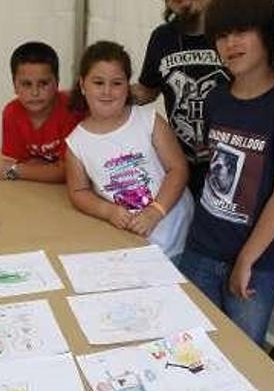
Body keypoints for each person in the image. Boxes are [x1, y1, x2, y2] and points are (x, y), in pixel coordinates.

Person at [178, 0, 274, 346]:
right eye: (221, 35)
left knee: (243, 357)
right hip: (201, 247)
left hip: (256, 262)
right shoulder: (216, 97)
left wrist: (246, 260)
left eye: (241, 32)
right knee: (190, 345)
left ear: (267, 34)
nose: (230, 44)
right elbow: (210, 166)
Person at [65, 41, 193, 258]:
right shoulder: (76, 143)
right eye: (98, 82)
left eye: (117, 83)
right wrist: (108, 211)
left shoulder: (149, 120)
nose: (107, 91)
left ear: (128, 86)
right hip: (132, 245)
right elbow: (79, 192)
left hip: (178, 236)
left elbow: (178, 168)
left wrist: (156, 211)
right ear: (82, 85)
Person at [134, 0, 232, 199]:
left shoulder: (235, 35)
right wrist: (102, 88)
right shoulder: (162, 38)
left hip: (229, 171)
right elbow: (148, 90)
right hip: (179, 169)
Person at [0, 41, 81, 183]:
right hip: (37, 188)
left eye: (44, 83)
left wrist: (15, 170)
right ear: (14, 86)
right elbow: (15, 163)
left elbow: (68, 173)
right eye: (26, 84)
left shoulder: (71, 110)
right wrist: (45, 169)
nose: (35, 92)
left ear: (57, 83)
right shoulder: (11, 112)